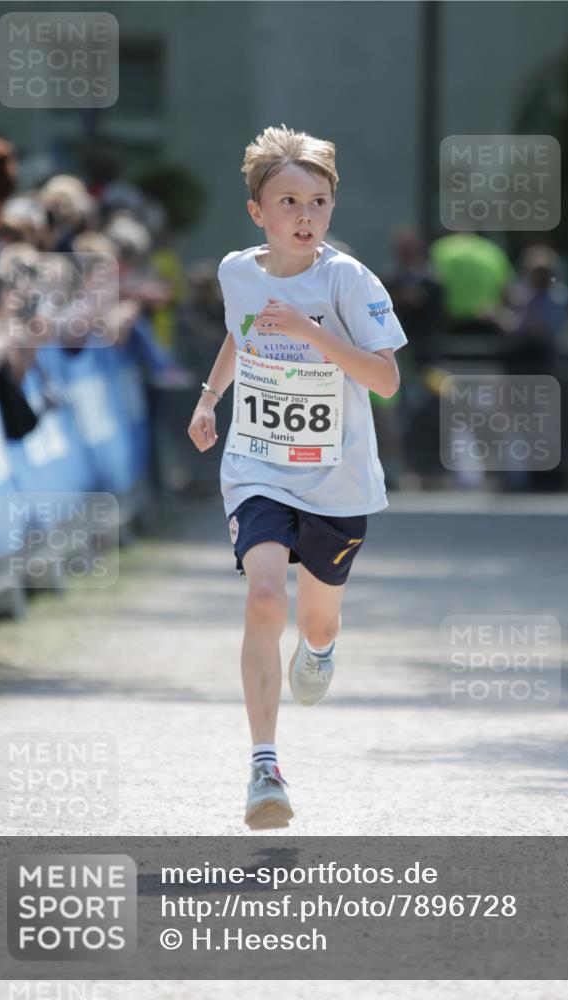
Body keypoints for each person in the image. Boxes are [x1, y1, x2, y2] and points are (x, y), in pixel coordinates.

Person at [187, 124, 407, 830]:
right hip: (257, 464)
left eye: (318, 202)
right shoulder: (235, 271)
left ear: (332, 210)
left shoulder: (348, 279)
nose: (304, 216)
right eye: (288, 201)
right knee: (261, 597)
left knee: (314, 618)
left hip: (335, 479)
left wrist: (312, 331)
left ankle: (321, 645)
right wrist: (209, 397)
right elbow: (239, 331)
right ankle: (263, 766)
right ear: (258, 211)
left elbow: (387, 381)